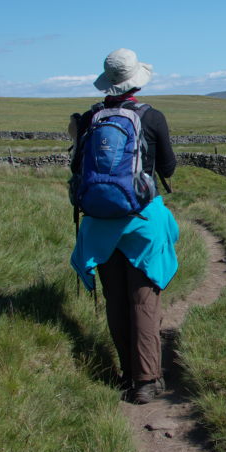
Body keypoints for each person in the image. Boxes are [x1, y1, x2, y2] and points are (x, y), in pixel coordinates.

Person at [70, 48, 178, 404]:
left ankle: (126, 374)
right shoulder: (152, 117)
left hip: (100, 225)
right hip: (141, 223)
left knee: (115, 300)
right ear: (136, 81)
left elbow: (77, 171)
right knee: (143, 302)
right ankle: (146, 381)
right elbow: (168, 167)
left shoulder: (90, 118)